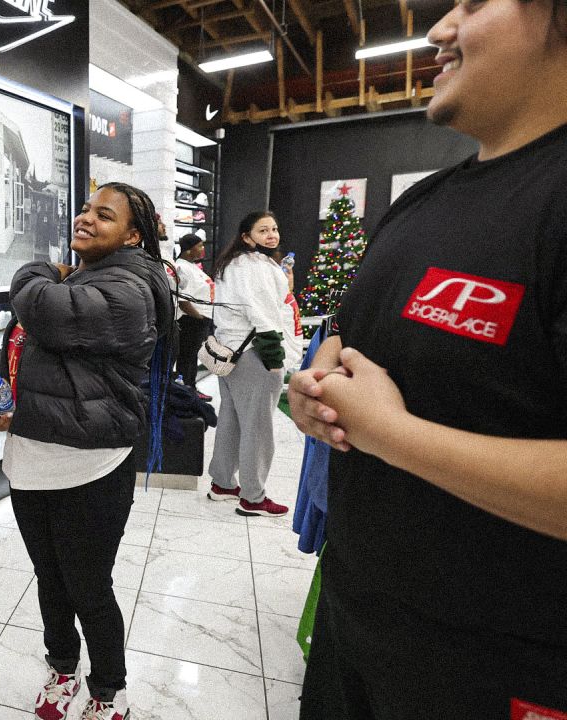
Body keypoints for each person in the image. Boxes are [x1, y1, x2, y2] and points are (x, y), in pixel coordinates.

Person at [287, 0, 567, 715]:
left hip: (502, 672)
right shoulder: (425, 203)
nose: (440, 29)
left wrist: (391, 435)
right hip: (356, 628)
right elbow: (346, 339)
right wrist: (314, 392)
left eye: (473, 4)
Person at [0, 182, 173, 720]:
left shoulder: (130, 287)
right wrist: (3, 401)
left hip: (90, 465)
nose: (86, 218)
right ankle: (62, 667)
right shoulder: (86, 277)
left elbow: (40, 305)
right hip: (32, 460)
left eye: (103, 215)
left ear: (133, 234)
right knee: (50, 580)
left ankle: (110, 689)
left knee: (89, 586)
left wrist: (34, 270)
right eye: (86, 209)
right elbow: (24, 347)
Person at [205, 212, 291, 517]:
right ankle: (253, 497)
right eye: (263, 230)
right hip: (253, 353)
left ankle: (223, 482)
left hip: (229, 352)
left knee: (232, 419)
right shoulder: (254, 267)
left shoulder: (232, 264)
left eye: (274, 228)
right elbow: (264, 313)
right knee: (258, 427)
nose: (271, 234)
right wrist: (274, 359)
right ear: (246, 236)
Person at [173, 233, 215, 397]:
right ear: (189, 250)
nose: (203, 250)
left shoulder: (192, 267)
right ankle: (187, 391)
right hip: (190, 320)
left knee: (191, 357)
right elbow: (181, 297)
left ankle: (191, 389)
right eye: (200, 246)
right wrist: (197, 317)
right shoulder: (181, 268)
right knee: (187, 357)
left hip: (200, 319)